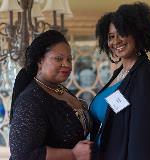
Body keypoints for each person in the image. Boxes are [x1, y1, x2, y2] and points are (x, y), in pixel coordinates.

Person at [90, 2, 150, 160]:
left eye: (122, 33)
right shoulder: (118, 74)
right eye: (111, 36)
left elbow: (145, 136)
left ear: (138, 34)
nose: (116, 41)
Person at [9, 30, 93, 160]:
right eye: (59, 58)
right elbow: (23, 155)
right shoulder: (31, 101)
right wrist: (73, 154)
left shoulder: (60, 89)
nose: (67, 64)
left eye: (69, 59)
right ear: (40, 61)